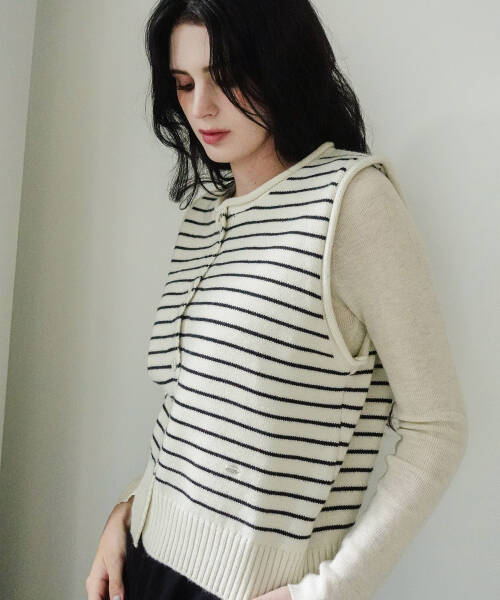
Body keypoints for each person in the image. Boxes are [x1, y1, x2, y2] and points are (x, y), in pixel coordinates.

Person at [85, 1, 468, 599]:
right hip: (140, 558)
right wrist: (126, 510)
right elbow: (197, 415)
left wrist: (324, 593)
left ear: (282, 67)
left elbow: (437, 431)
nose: (201, 107)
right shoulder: (206, 216)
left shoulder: (352, 203)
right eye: (184, 83)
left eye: (226, 77)